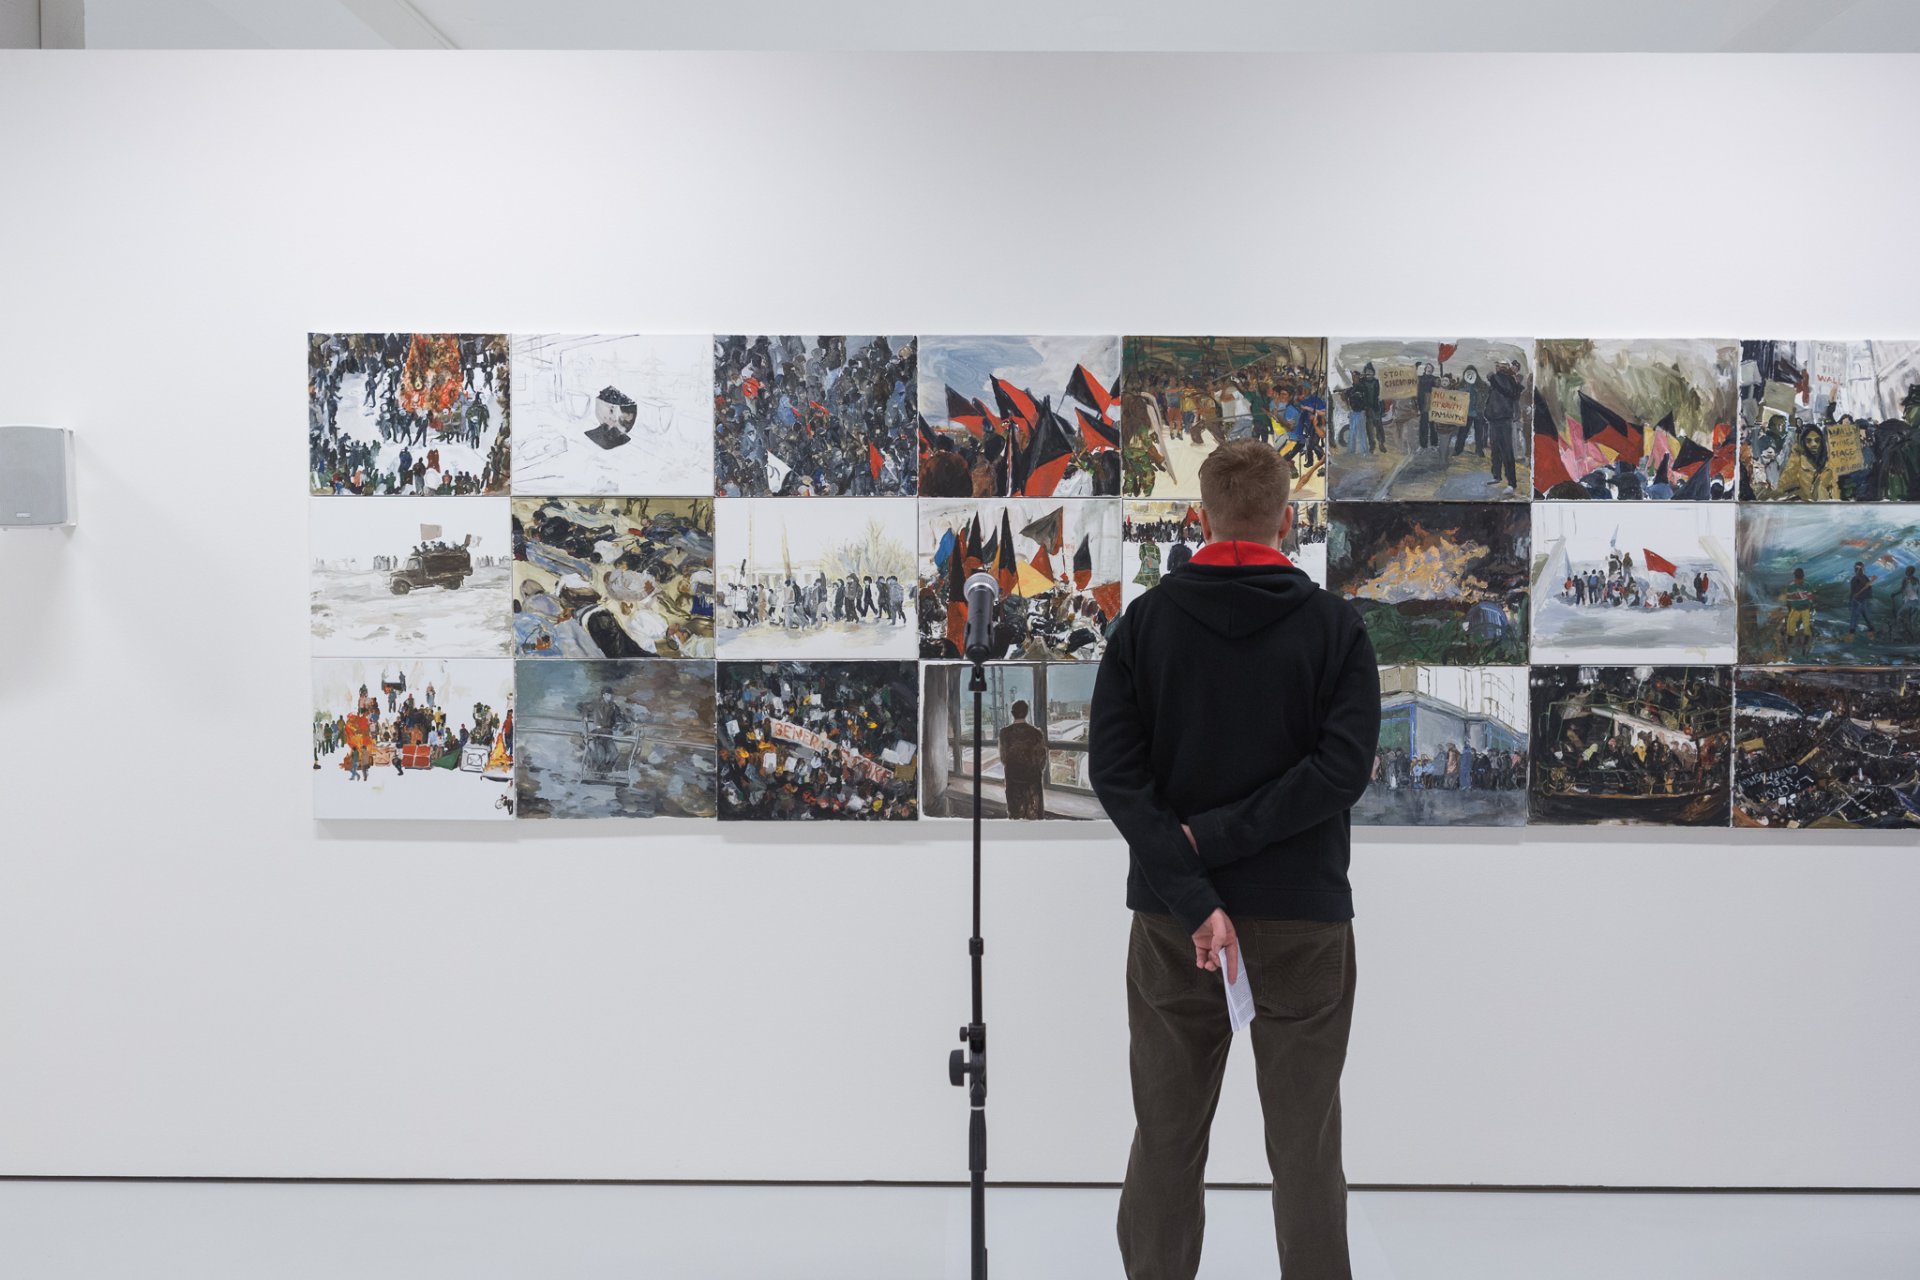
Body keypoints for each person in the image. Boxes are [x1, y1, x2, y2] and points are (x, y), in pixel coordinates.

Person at [1091, 438, 1380, 1280]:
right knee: (1306, 1149)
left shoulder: (1145, 626)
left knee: (1166, 1138)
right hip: (1303, 921)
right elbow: (1339, 773)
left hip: (1174, 924)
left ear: (1199, 518)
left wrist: (1195, 883)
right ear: (1287, 522)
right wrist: (1220, 841)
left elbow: (1115, 775)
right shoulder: (1336, 629)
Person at [998, 699, 1049, 820]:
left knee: (1015, 815)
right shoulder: (1036, 733)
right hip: (1033, 779)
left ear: (1012, 713)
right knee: (1034, 815)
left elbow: (1004, 758)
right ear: (1026, 712)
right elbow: (1042, 757)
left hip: (1013, 778)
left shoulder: (1004, 733)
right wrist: (1035, 770)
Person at [1848, 562, 1877, 634]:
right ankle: (1852, 632)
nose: (1858, 570)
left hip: (1863, 600)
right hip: (1858, 600)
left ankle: (1871, 630)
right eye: (1857, 568)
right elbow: (1855, 591)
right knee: (1856, 616)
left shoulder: (1863, 578)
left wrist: (1870, 583)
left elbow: (1868, 587)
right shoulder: (1855, 579)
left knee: (1864, 616)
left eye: (1860, 568)